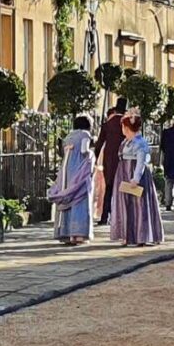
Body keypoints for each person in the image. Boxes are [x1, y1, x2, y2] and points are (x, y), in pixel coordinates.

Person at [110, 109, 164, 246]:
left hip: (133, 175)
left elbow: (141, 162)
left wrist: (136, 178)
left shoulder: (140, 142)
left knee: (139, 205)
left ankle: (141, 235)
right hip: (123, 174)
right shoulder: (126, 142)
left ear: (127, 127)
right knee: (125, 206)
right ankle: (127, 235)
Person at [48, 116, 96, 245]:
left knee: (68, 198)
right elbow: (84, 150)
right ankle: (79, 235)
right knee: (80, 199)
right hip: (79, 170)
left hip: (67, 172)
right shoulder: (85, 134)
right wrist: (91, 154)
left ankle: (65, 232)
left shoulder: (68, 136)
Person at [94, 99, 127, 225]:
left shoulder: (107, 123)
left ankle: (104, 217)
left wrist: (96, 158)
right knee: (123, 187)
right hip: (122, 158)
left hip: (109, 158)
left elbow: (99, 143)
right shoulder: (126, 122)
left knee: (109, 187)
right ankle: (120, 216)